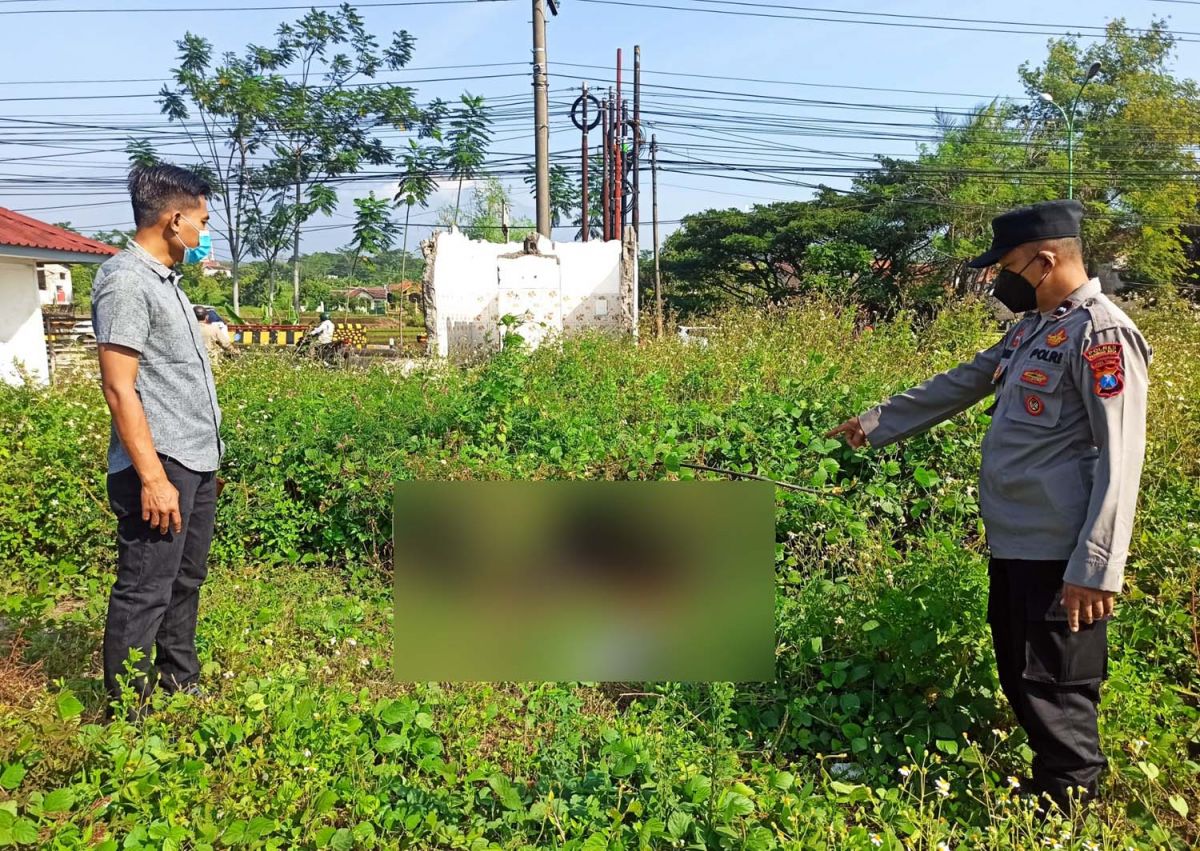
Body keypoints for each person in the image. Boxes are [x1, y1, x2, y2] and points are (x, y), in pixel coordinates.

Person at [827, 200, 1151, 811]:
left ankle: (1071, 806)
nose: (996, 278)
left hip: (1064, 554)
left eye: (1005, 264)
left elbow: (1121, 458)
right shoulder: (1035, 327)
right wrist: (876, 421)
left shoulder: (1101, 334)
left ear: (1044, 259)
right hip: (1017, 542)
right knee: (1022, 672)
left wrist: (1097, 567)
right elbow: (964, 380)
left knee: (1057, 684)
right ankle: (1052, 789)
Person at [91, 163, 224, 715]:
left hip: (192, 459)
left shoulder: (164, 283)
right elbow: (120, 389)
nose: (205, 233)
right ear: (174, 221)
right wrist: (151, 478)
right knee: (146, 585)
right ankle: (127, 708)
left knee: (185, 577)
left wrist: (202, 461)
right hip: (160, 465)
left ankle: (177, 679)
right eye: (202, 221)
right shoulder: (125, 281)